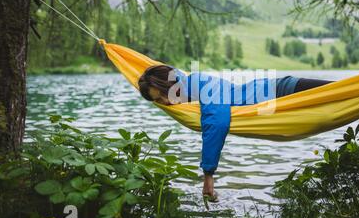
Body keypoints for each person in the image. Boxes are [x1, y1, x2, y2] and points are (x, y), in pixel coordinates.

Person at [138, 65, 332, 201]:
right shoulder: (188, 91)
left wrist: (208, 175)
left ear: (171, 85)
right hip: (281, 99)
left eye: (163, 95)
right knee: (350, 92)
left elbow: (216, 122)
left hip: (285, 91)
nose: (165, 102)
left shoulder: (198, 83)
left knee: (351, 90)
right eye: (159, 101)